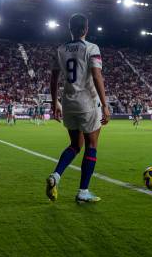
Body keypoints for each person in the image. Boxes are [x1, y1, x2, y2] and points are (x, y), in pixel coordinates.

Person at [46, 13, 110, 203]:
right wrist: (105, 105)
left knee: (75, 145)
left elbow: (53, 78)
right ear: (86, 29)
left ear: (70, 29)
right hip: (87, 103)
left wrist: (54, 102)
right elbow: (97, 76)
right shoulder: (92, 48)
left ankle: (56, 176)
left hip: (68, 103)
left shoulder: (60, 50)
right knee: (91, 145)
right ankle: (83, 191)